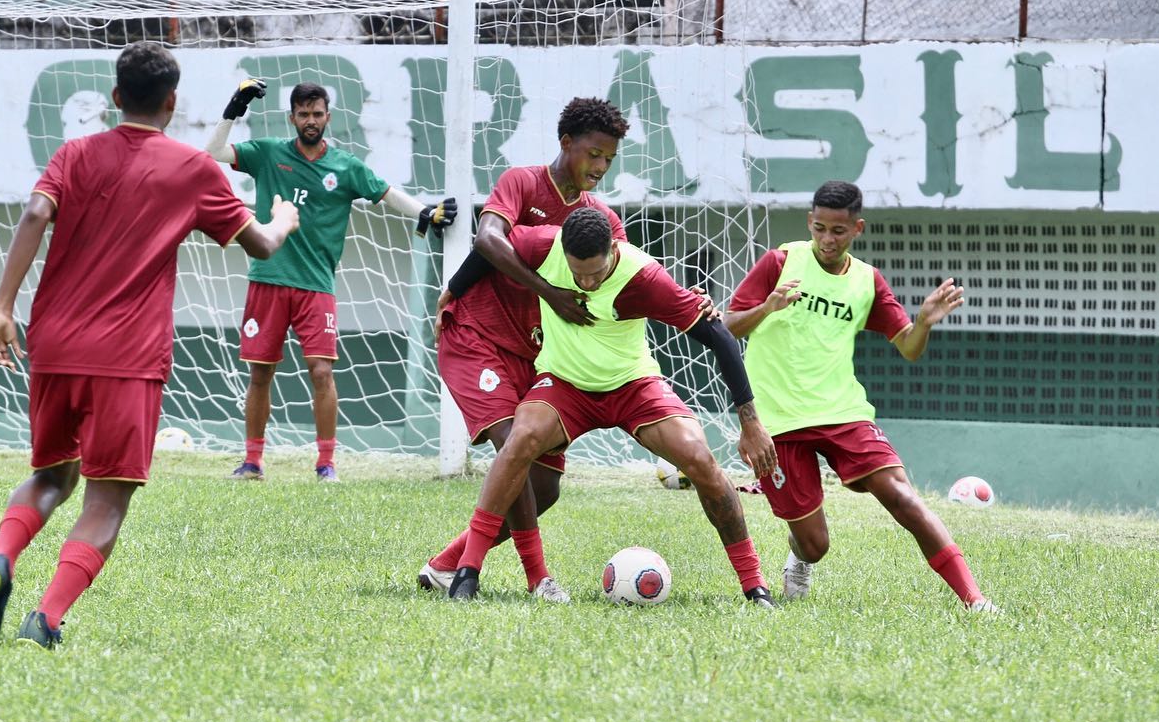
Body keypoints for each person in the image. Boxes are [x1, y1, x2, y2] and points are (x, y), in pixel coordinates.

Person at [0, 41, 300, 649]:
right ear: (172, 102)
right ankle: (45, 618)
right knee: (107, 498)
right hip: (128, 358)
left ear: (116, 99)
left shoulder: (74, 152)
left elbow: (37, 212)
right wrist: (283, 219)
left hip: (55, 345)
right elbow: (262, 246)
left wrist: (2, 307)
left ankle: (1, 556)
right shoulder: (193, 169)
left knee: (49, 476)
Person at [435, 207, 782, 606]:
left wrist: (750, 421)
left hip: (633, 386)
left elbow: (719, 338)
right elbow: (488, 246)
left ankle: (754, 584)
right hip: (564, 386)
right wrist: (455, 287)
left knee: (699, 458)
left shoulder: (645, 278)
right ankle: (467, 571)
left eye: (596, 274)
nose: (586, 281)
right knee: (520, 440)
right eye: (577, 272)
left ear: (615, 249)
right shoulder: (543, 245)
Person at [724, 180, 997, 612]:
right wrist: (767, 308)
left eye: (837, 231)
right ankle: (799, 557)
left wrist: (923, 322)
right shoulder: (780, 262)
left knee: (902, 495)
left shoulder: (867, 281)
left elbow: (907, 346)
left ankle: (976, 600)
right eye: (818, 229)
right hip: (779, 422)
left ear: (857, 228)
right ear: (809, 223)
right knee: (815, 545)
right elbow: (728, 326)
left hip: (844, 411)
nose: (826, 240)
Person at [419, 98, 632, 604]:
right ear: (566, 144)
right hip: (476, 336)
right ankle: (539, 578)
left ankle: (445, 565)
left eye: (609, 159)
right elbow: (488, 240)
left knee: (546, 486)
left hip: (534, 355)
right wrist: (549, 292)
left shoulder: (601, 221)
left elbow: (625, 274)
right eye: (593, 154)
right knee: (513, 446)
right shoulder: (522, 181)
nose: (600, 168)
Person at [205, 79, 457, 482]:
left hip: (317, 286)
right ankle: (252, 461)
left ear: (328, 117)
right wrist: (235, 107)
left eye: (317, 113)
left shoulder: (345, 166)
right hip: (268, 278)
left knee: (322, 371)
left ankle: (326, 464)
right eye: (303, 114)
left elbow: (385, 192)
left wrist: (423, 213)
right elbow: (213, 152)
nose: (310, 120)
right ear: (292, 117)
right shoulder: (269, 154)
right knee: (259, 373)